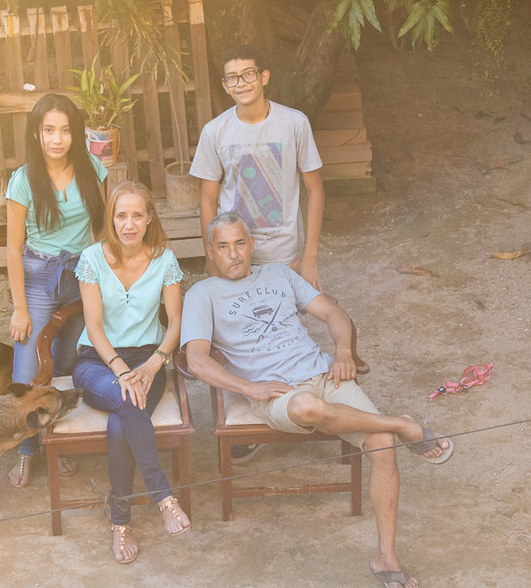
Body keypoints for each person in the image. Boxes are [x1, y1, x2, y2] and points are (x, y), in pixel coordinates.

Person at [181, 212, 454, 588]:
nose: (233, 254)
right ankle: (404, 423)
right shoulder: (201, 294)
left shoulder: (278, 274)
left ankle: (386, 558)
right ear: (210, 251)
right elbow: (196, 360)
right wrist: (249, 389)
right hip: (277, 394)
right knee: (307, 407)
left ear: (252, 245)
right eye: (223, 246)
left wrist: (343, 352)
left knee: (382, 445)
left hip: (324, 373)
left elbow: (331, 311)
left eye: (240, 243)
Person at [71, 181, 191, 564]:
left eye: (137, 214)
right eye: (121, 215)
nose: (129, 223)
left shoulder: (165, 260)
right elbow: (94, 326)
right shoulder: (91, 259)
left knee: (123, 419)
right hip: (96, 361)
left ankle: (119, 523)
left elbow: (174, 324)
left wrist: (155, 363)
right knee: (127, 399)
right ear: (111, 219)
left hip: (147, 360)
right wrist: (121, 371)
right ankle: (163, 497)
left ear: (149, 217)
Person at [6, 94, 108, 488]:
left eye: (65, 130)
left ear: (75, 134)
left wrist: (103, 278)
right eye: (49, 130)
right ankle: (27, 450)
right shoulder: (23, 180)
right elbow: (13, 248)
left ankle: (56, 443)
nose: (57, 139)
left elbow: (101, 230)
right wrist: (20, 308)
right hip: (39, 276)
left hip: (81, 273)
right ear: (37, 133)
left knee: (66, 363)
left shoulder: (92, 168)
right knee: (29, 369)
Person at [189, 43, 325, 288]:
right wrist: (212, 259)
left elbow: (315, 190)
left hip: (283, 252)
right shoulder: (214, 132)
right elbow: (208, 200)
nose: (241, 83)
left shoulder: (295, 123)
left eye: (248, 74)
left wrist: (310, 257)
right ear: (225, 86)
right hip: (232, 253)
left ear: (264, 77)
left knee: (281, 320)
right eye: (232, 78)